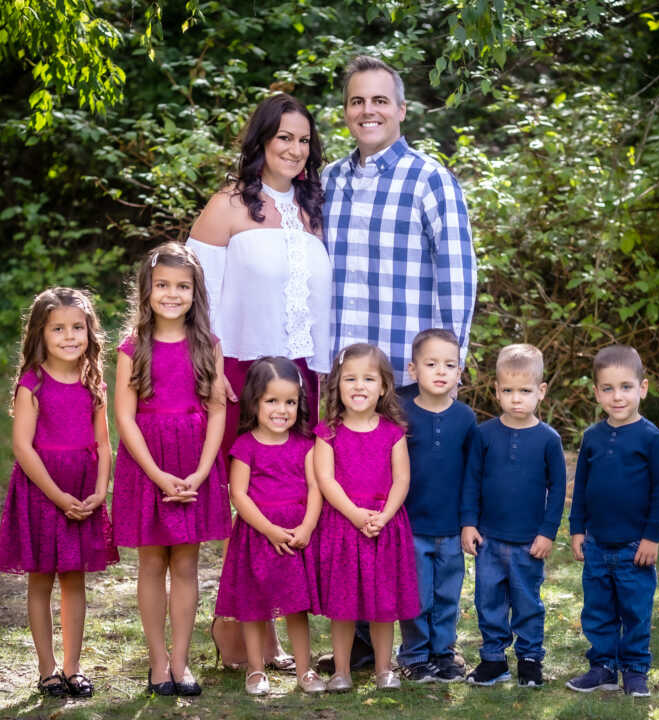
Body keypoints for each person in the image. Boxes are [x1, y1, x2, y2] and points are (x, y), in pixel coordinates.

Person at [112, 242, 231, 697]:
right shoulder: (131, 348)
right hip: (148, 465)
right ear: (146, 290)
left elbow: (217, 412)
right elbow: (124, 417)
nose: (171, 294)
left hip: (194, 461)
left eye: (182, 286)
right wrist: (159, 476)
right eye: (162, 285)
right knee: (151, 561)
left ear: (195, 293)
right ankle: (157, 660)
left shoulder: (208, 346)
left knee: (186, 562)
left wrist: (201, 473)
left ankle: (182, 662)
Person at [321, 55, 477, 393]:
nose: (368, 110)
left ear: (401, 110)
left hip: (407, 379)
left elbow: (457, 280)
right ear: (346, 111)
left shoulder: (430, 179)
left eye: (380, 101)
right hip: (340, 378)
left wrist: (451, 369)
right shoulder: (328, 180)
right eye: (357, 101)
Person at [188, 93, 331, 453]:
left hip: (302, 376)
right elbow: (194, 296)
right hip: (238, 370)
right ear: (263, 139)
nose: (295, 150)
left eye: (304, 140)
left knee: (290, 485)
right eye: (284, 137)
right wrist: (210, 369)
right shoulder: (227, 206)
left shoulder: (314, 212)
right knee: (232, 477)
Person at [0, 287, 118, 699]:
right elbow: (22, 447)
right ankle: (47, 668)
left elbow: (103, 444)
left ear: (90, 331)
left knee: (74, 578)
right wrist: (57, 496)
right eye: (58, 329)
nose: (69, 336)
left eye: (77, 328)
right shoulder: (33, 383)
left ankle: (72, 666)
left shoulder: (93, 382)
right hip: (43, 491)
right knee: (41, 578)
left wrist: (100, 492)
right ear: (40, 335)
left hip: (83, 489)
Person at [215, 357, 326, 696]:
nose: (282, 410)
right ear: (255, 402)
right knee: (253, 605)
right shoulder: (245, 445)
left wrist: (306, 528)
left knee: (295, 606)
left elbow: (314, 489)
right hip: (257, 535)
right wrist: (268, 530)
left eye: (290, 402)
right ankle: (256, 669)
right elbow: (239, 494)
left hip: (295, 535)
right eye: (272, 401)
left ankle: (305, 671)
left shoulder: (305, 446)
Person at [313, 343, 419, 692]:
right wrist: (356, 514)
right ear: (337, 386)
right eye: (350, 379)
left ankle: (383, 669)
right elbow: (325, 479)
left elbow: (402, 479)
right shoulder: (327, 431)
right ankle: (341, 670)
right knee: (343, 605)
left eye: (368, 379)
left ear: (384, 387)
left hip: (384, 527)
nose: (359, 386)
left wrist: (383, 516)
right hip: (343, 526)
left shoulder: (392, 431)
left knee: (382, 605)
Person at [566, 344, 659, 697]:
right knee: (597, 611)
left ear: (642, 388)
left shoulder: (650, 438)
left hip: (633, 547)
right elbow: (581, 488)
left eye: (626, 387)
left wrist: (651, 537)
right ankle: (603, 668)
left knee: (635, 611)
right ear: (596, 392)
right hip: (597, 543)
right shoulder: (592, 438)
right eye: (607, 388)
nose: (617, 396)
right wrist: (577, 529)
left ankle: (635, 669)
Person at [461, 344, 566, 688]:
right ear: (496, 390)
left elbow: (558, 491)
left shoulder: (548, 440)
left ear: (541, 391)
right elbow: (472, 482)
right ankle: (493, 659)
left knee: (527, 603)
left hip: (528, 542)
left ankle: (530, 659)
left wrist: (547, 533)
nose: (516, 399)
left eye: (524, 391)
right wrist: (469, 523)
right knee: (487, 600)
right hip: (489, 539)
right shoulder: (484, 435)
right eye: (508, 390)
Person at [396, 329, 478, 684]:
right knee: (416, 595)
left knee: (447, 595)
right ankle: (414, 656)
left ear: (459, 372)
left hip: (450, 527)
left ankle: (443, 653)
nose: (441, 371)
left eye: (449, 365)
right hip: (411, 524)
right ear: (414, 370)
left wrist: (469, 522)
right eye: (431, 364)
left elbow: (473, 476)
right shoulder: (400, 414)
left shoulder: (465, 418)